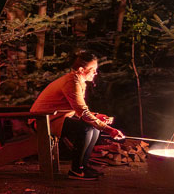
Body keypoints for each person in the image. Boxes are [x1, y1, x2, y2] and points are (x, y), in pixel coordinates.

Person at [31, 50, 126, 179]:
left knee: (94, 127)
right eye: (93, 69)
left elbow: (79, 109)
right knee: (86, 128)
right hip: (44, 121)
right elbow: (82, 112)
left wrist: (97, 116)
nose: (95, 72)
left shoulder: (78, 80)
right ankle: (76, 170)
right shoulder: (71, 82)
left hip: (56, 117)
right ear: (82, 69)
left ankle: (82, 166)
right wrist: (109, 130)